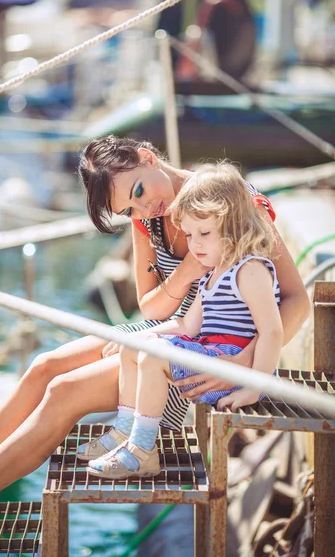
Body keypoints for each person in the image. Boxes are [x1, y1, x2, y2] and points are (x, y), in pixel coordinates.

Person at [0, 136, 309, 547]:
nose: (143, 209)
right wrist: (186, 272)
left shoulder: (234, 202)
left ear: (147, 157)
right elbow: (150, 308)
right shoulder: (146, 218)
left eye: (139, 192)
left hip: (206, 356)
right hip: (176, 331)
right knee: (43, 367)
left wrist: (242, 364)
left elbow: (296, 301)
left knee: (63, 391)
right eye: (128, 208)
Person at [84, 161, 282, 478]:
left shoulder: (250, 270)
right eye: (190, 235)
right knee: (133, 349)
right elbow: (187, 326)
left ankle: (142, 451)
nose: (195, 245)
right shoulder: (211, 275)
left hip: (234, 367)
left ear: (233, 224)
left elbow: (272, 331)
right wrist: (133, 339)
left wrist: (255, 388)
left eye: (204, 233)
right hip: (209, 353)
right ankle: (125, 432)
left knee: (152, 357)